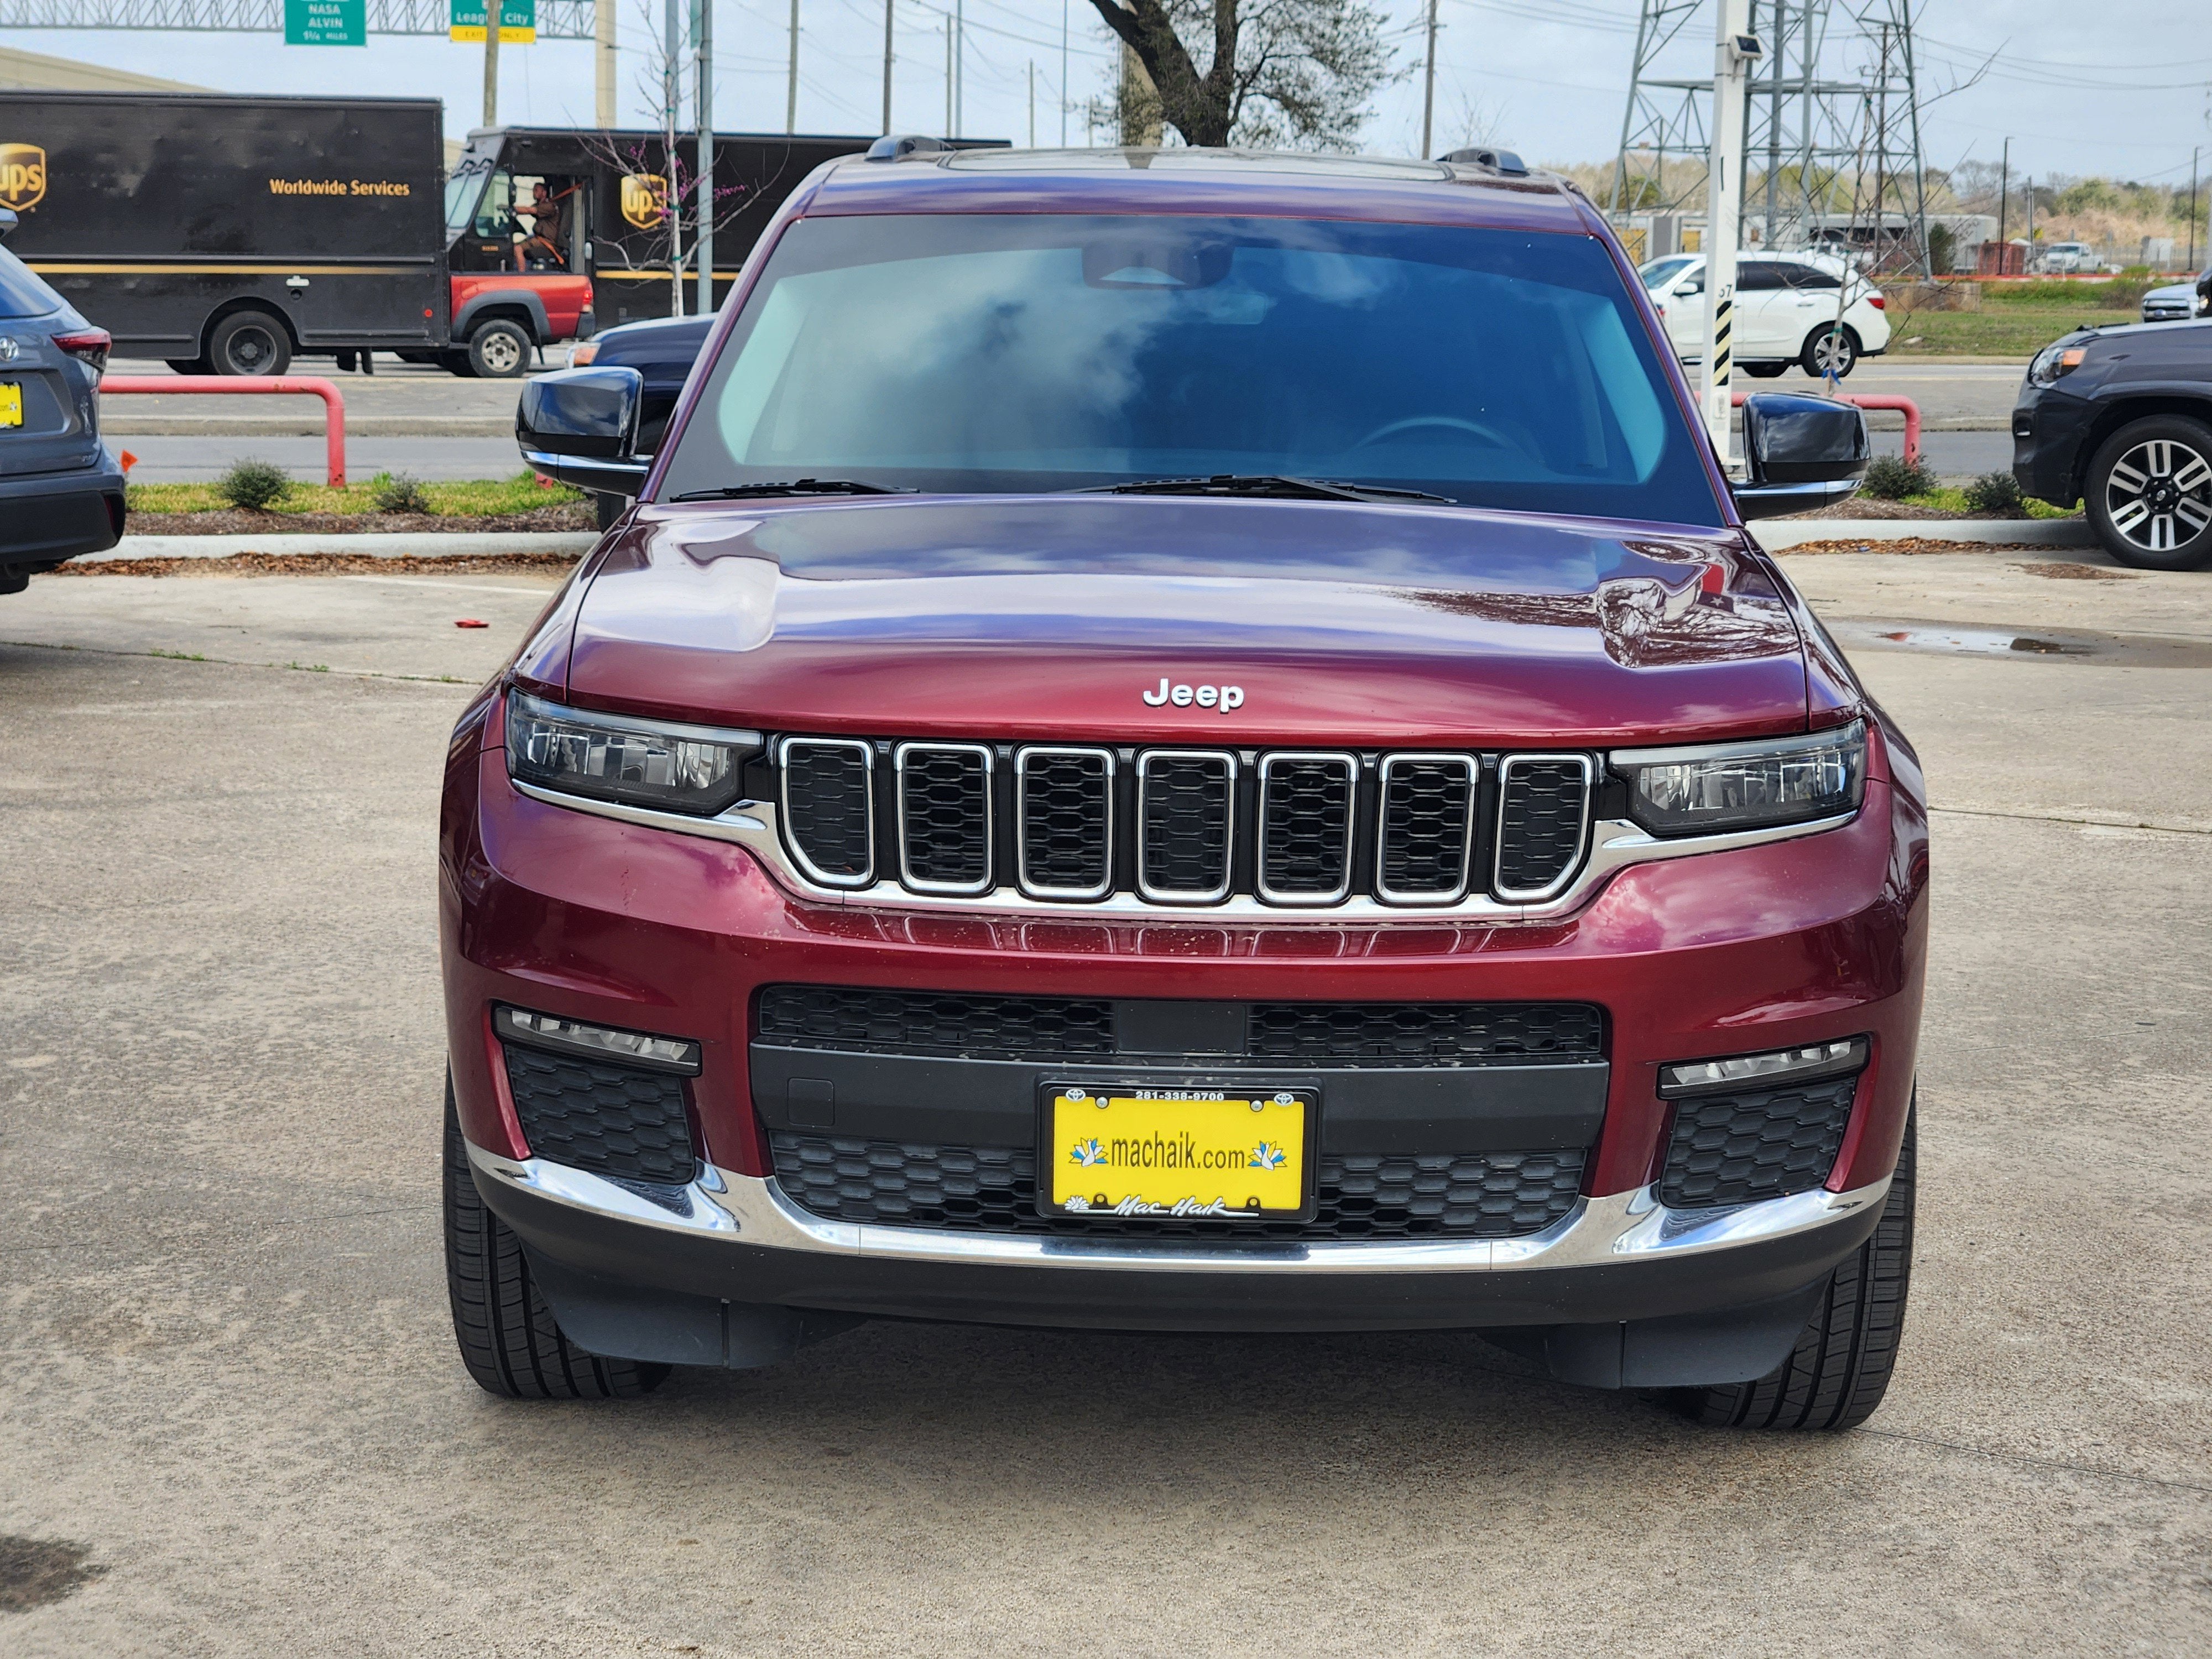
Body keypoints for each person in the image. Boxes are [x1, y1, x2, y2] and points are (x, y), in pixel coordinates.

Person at [519, 181, 572, 270]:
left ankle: (521, 278)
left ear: (544, 193)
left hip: (547, 242)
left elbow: (530, 210)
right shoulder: (540, 205)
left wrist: (513, 209)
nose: (534, 192)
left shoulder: (549, 207)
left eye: (536, 190)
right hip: (540, 240)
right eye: (533, 190)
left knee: (518, 249)